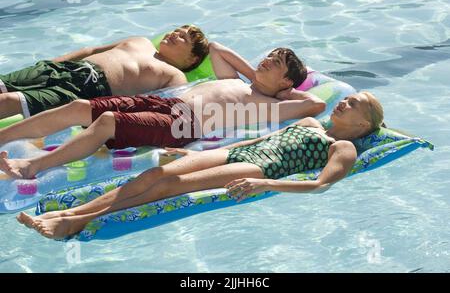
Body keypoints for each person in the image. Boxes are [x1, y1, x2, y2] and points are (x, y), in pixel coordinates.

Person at [17, 92, 384, 239]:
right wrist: (194, 155)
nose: (344, 103)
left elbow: (321, 185)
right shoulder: (309, 124)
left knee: (166, 188)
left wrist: (268, 185)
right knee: (154, 173)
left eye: (354, 105)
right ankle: (71, 213)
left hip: (263, 170)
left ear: (365, 124)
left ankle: (72, 222)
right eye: (346, 99)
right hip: (241, 154)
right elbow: (254, 141)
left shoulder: (344, 147)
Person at [0, 47, 323, 179]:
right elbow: (216, 48)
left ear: (286, 81)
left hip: (184, 124)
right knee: (79, 108)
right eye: (269, 56)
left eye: (275, 63)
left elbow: (316, 104)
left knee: (108, 122)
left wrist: (284, 90)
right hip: (165, 104)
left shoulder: (272, 104)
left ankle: (32, 166)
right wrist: (255, 74)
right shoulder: (236, 81)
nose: (266, 60)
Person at [0, 24, 209, 119]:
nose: (174, 34)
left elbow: (158, 109)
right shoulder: (141, 41)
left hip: (89, 90)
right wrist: (48, 64)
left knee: (9, 101)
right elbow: (90, 51)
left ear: (192, 58)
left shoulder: (174, 75)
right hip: (63, 69)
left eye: (183, 38)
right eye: (176, 31)